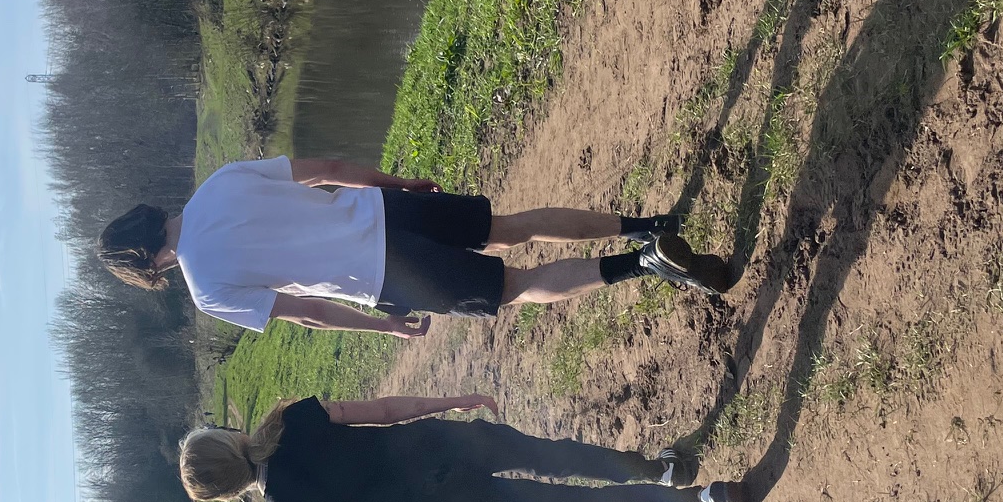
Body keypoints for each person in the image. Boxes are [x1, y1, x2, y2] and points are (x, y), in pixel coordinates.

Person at [98, 155, 733, 337]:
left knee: (514, 286)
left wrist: (387, 326)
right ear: (148, 214)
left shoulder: (207, 290)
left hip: (381, 275)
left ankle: (645, 263)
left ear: (148, 264)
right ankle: (646, 225)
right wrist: (397, 183)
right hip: (384, 208)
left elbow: (308, 311)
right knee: (513, 226)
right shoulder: (218, 182)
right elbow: (327, 167)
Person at [179, 394, 757, 502]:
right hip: (439, 444)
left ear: (228, 491)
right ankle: (660, 469)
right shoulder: (291, 419)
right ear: (228, 438)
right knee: (553, 456)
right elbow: (382, 412)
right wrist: (449, 401)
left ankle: (703, 498)